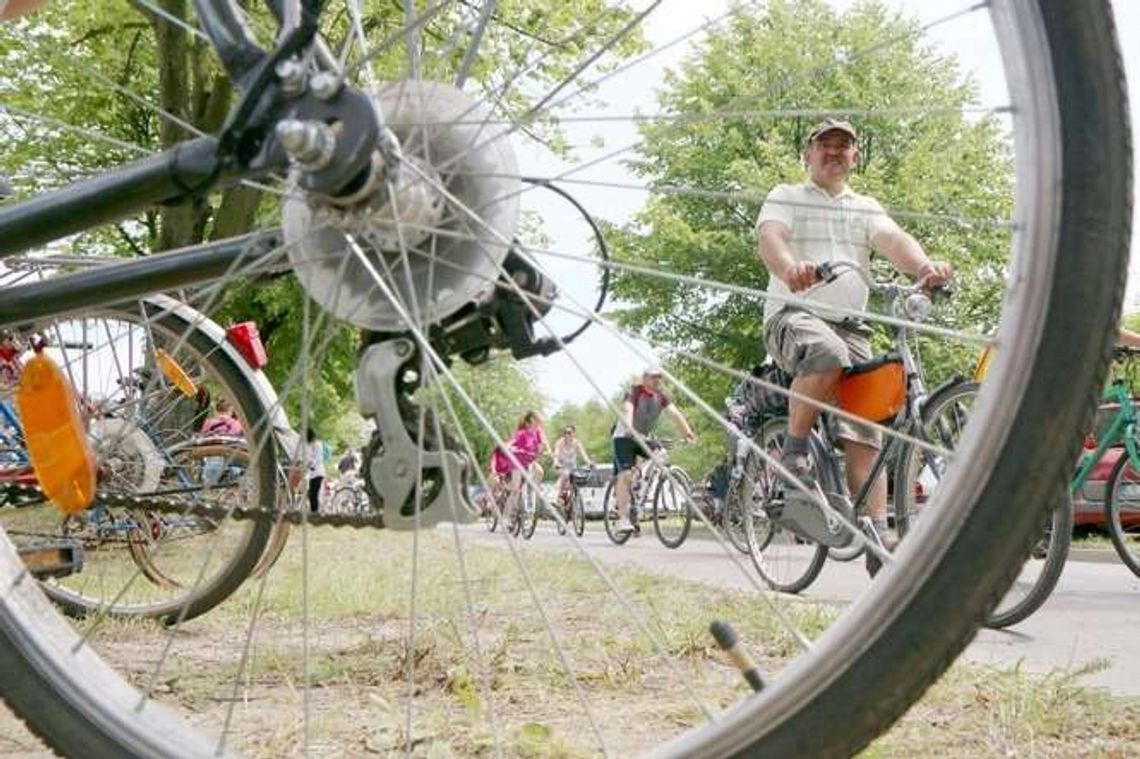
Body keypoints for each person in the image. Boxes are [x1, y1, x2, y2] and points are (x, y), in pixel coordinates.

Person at [756, 117, 952, 553]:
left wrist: (924, 268)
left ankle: (877, 539)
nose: (833, 152)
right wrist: (790, 267)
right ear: (808, 154)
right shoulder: (786, 196)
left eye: (843, 146)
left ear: (854, 157)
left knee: (866, 432)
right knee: (826, 352)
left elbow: (894, 239)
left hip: (852, 326)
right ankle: (795, 452)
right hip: (795, 315)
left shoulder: (864, 206)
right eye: (824, 144)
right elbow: (771, 237)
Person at [611, 368, 696, 536]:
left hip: (642, 437)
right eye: (653, 377)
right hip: (624, 437)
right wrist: (629, 427)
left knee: (661, 453)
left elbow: (675, 415)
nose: (657, 380)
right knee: (625, 475)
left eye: (659, 377)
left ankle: (640, 487)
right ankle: (622, 519)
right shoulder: (634, 391)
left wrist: (687, 433)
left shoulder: (661, 396)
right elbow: (628, 409)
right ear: (644, 378)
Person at [491, 411, 551, 527]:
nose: (539, 423)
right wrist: (508, 447)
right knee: (515, 489)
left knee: (539, 471)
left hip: (529, 461)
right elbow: (512, 441)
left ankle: (532, 495)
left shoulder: (537, 432)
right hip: (517, 461)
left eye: (540, 421)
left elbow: (543, 444)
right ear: (531, 421)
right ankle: (505, 517)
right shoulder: (522, 433)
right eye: (537, 420)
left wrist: (546, 451)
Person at [198, 399, 243, 488]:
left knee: (209, 482)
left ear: (216, 410)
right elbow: (235, 435)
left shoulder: (208, 422)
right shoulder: (235, 423)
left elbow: (202, 437)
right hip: (229, 454)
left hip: (210, 453)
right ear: (230, 410)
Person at [553, 425, 592, 510]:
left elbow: (583, 455)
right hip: (560, 467)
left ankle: (572, 501)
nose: (567, 435)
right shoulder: (559, 443)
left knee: (575, 479)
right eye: (565, 433)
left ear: (574, 434)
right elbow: (556, 454)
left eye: (569, 433)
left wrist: (589, 462)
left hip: (573, 469)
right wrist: (556, 462)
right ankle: (559, 496)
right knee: (565, 474)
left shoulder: (577, 443)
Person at [304, 428, 325, 514]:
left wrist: (311, 464)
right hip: (313, 473)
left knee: (314, 494)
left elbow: (318, 458)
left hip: (317, 473)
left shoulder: (317, 445)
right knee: (312, 494)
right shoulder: (311, 445)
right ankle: (314, 511)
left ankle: (315, 513)